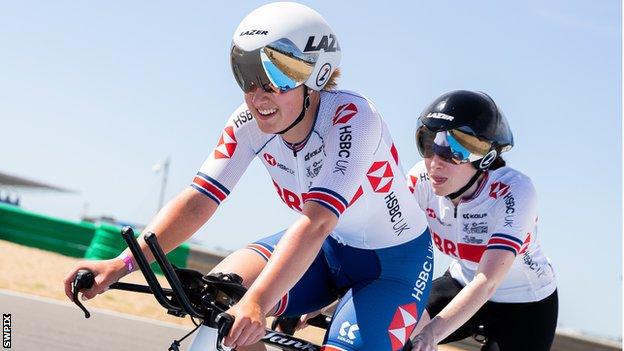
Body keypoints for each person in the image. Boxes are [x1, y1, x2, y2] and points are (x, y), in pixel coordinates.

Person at [64, 3, 433, 350]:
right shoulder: (249, 124)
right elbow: (198, 201)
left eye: (276, 74)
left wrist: (258, 301)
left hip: (391, 266)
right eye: (246, 75)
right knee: (220, 298)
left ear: (317, 74)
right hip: (326, 250)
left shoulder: (354, 118)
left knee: (250, 306)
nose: (258, 95)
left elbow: (317, 221)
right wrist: (121, 263)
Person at [406, 90, 558, 351]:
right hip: (461, 282)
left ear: (486, 157)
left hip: (526, 303)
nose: (435, 163)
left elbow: (487, 281)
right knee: (398, 332)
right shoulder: (421, 179)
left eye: (455, 150)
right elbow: (379, 240)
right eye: (429, 144)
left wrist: (431, 335)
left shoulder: (514, 192)